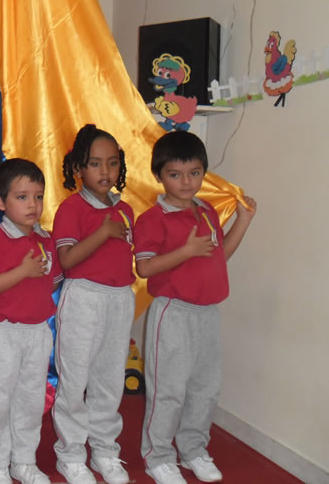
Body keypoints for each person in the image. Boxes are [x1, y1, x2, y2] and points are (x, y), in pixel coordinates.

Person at [134, 131, 256, 484]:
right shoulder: (152, 219)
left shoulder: (206, 211)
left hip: (207, 313)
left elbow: (220, 256)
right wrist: (184, 252)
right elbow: (144, 268)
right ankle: (158, 456)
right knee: (167, 389)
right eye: (176, 174)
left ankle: (193, 449)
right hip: (172, 312)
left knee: (204, 387)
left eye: (195, 173)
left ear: (203, 173)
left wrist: (243, 221)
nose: (186, 182)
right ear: (159, 175)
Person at [50, 125, 135, 484]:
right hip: (83, 297)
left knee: (110, 379)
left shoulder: (127, 209)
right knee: (74, 380)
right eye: (96, 163)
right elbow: (67, 261)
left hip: (119, 299)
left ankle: (104, 450)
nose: (105, 172)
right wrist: (102, 232)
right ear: (78, 169)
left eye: (112, 163)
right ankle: (69, 454)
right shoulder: (71, 208)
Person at [0, 158, 63, 484]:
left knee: (30, 400)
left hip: (38, 332)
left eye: (38, 196)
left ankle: (23, 461)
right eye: (22, 197)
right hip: (4, 333)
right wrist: (22, 272)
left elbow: (51, 282)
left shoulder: (46, 239)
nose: (33, 204)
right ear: (1, 202)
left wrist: (32, 282)